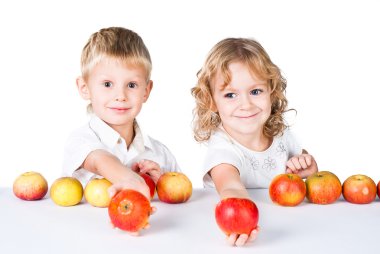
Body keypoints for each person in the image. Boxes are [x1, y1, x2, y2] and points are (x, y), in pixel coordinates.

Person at [191, 38, 318, 246]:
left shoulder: (282, 136)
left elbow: (306, 170)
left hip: (296, 234)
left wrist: (308, 168)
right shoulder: (222, 148)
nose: (246, 105)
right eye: (231, 95)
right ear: (212, 101)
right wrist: (240, 220)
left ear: (272, 92)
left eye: (255, 92)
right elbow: (230, 187)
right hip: (263, 235)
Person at [62, 27, 180, 231]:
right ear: (85, 88)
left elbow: (181, 205)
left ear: (146, 90)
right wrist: (131, 180)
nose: (121, 95)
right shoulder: (80, 140)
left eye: (132, 85)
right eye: (107, 84)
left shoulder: (160, 154)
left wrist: (161, 183)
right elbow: (99, 160)